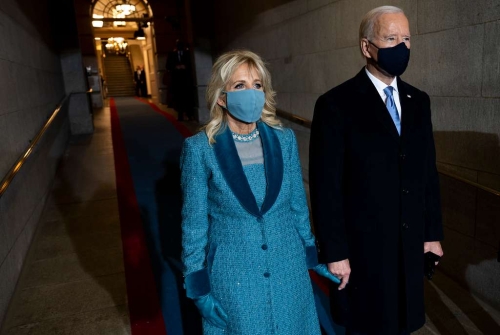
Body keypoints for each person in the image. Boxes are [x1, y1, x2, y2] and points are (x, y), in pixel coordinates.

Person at [180, 49, 340, 334]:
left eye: (257, 85)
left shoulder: (284, 139)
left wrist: (311, 255)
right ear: (221, 96)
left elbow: (297, 205)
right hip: (234, 276)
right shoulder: (200, 149)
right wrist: (198, 287)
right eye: (239, 86)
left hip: (288, 268)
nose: (251, 93)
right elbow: (193, 226)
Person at [309, 6, 444, 335]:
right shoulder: (335, 105)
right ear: (366, 46)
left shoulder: (418, 100)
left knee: (404, 322)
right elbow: (326, 186)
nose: (402, 46)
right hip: (363, 249)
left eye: (407, 38)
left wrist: (432, 234)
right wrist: (335, 252)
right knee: (367, 324)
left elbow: (427, 173)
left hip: (409, 243)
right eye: (391, 38)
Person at [166, 39, 194, 121]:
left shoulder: (187, 54)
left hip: (186, 80)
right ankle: (180, 115)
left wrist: (185, 66)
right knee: (178, 98)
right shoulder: (172, 55)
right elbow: (168, 66)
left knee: (188, 97)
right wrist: (175, 67)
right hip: (176, 80)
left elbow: (191, 64)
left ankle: (189, 114)